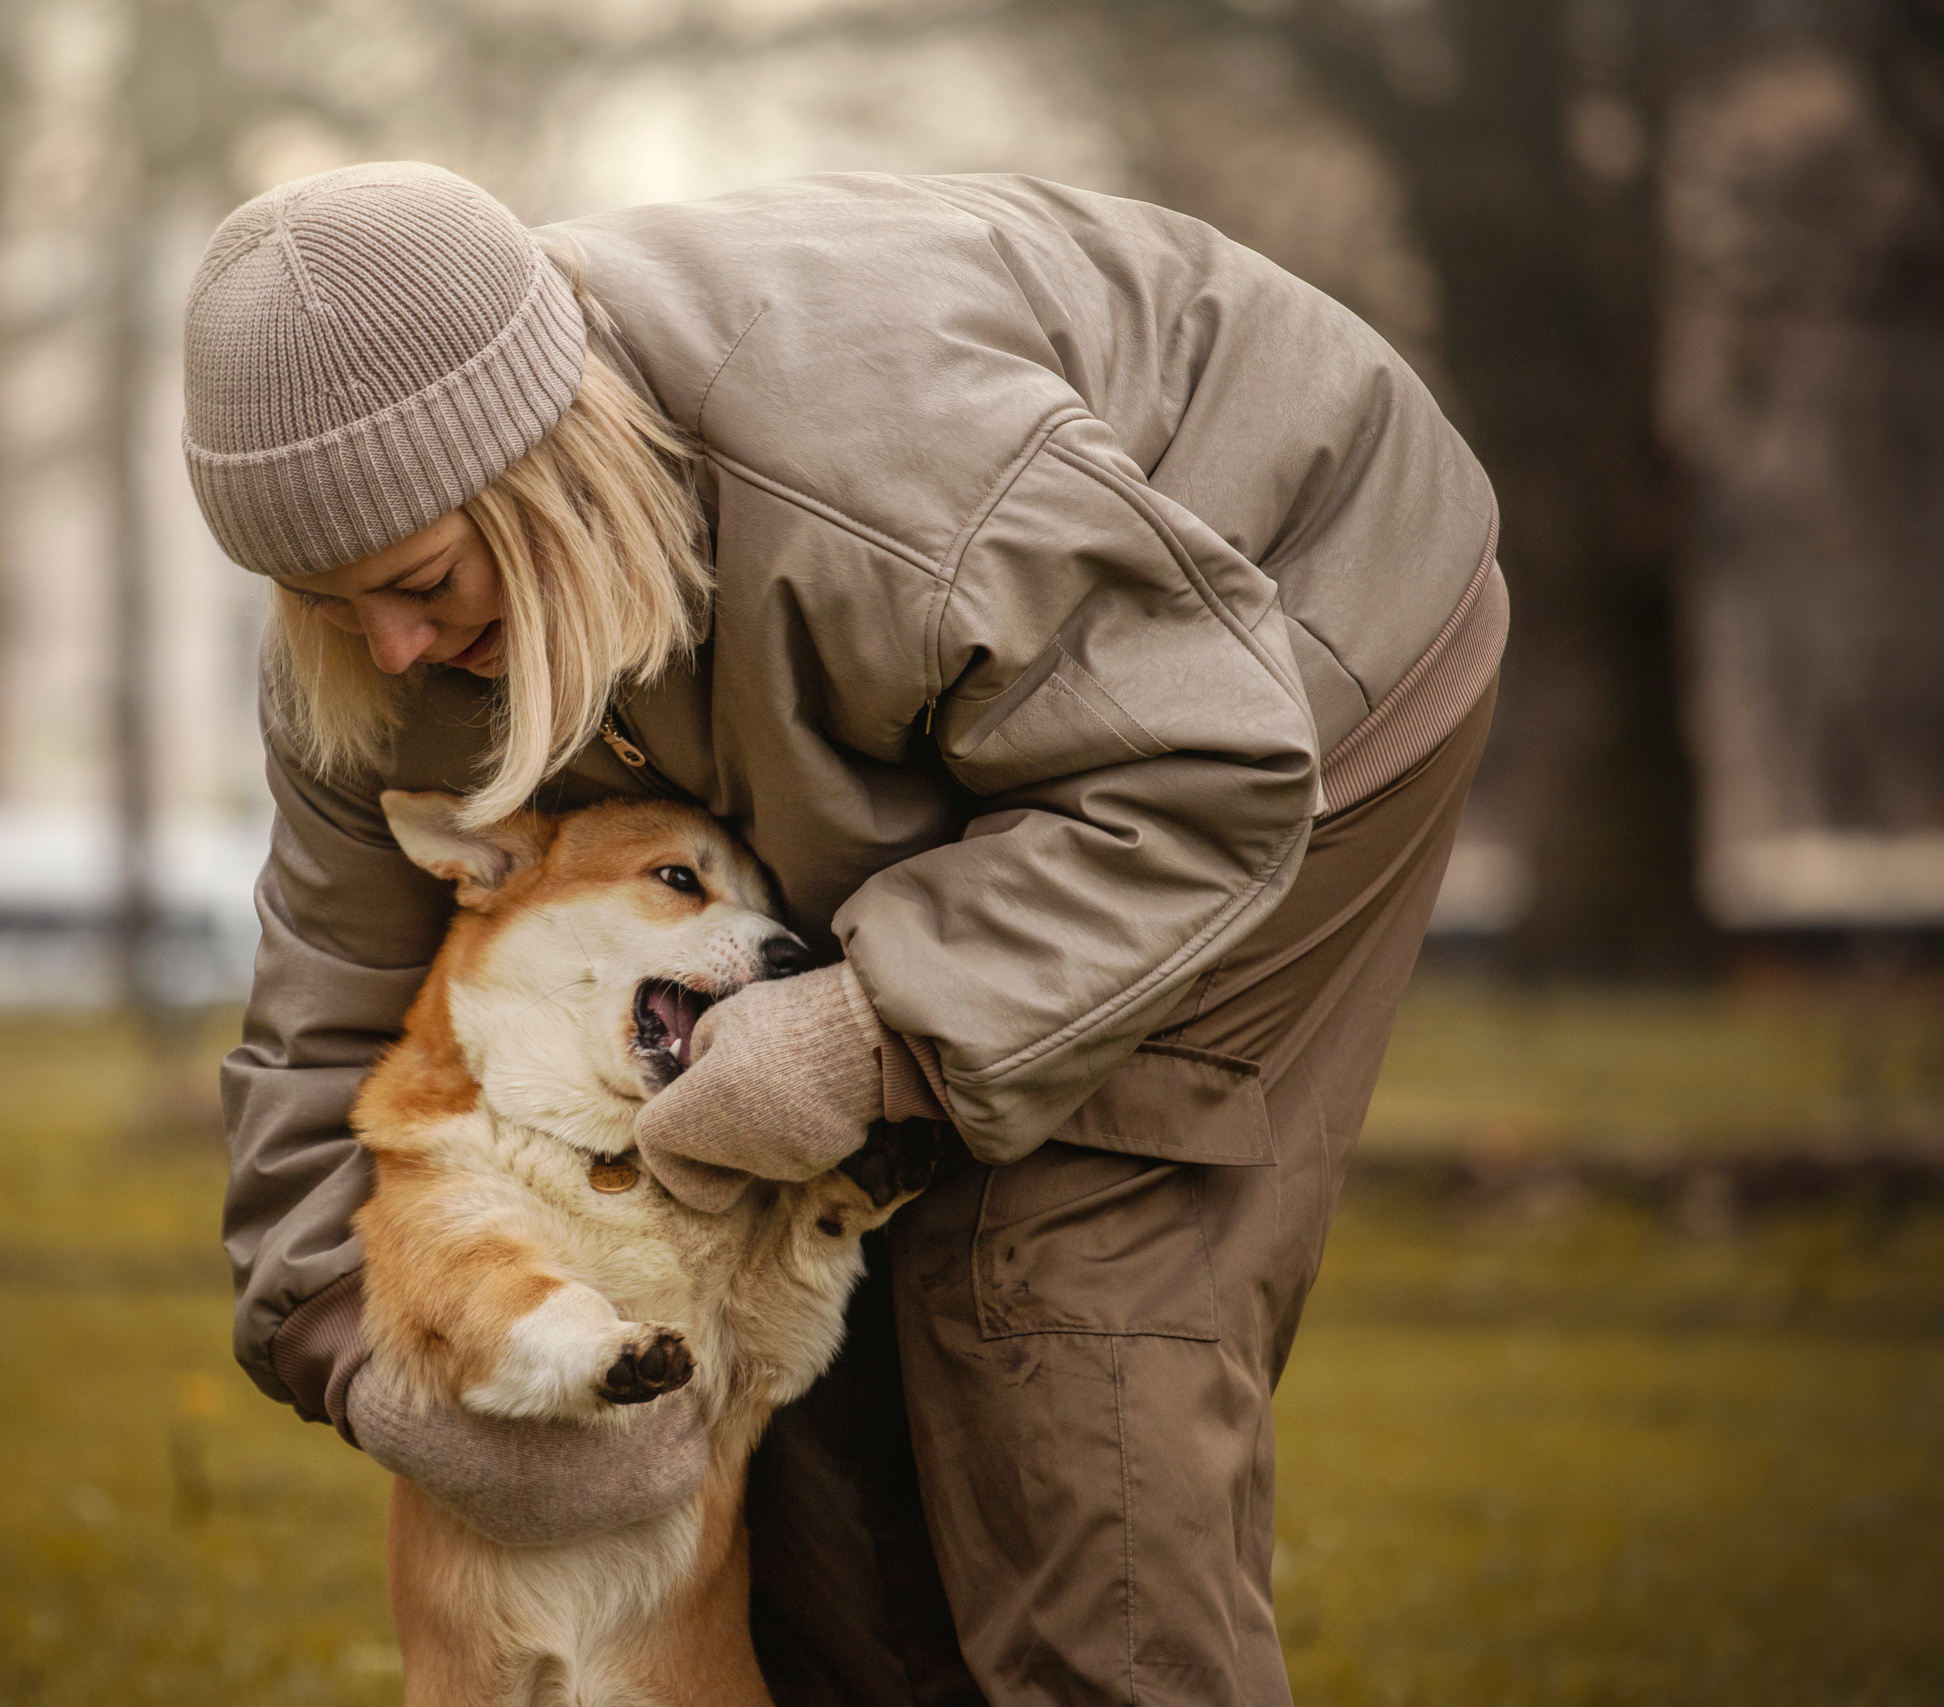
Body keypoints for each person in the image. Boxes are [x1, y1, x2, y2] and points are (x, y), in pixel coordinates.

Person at [185, 161, 1504, 1706]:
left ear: (549, 474)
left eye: (419, 584)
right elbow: (338, 1000)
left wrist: (863, 1033)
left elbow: (1196, 769)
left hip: (1281, 678)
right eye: (329, 603)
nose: (392, 646)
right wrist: (372, 1357)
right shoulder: (366, 630)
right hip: (977, 697)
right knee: (779, 1385)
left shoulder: (863, 474)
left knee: (1047, 1340)